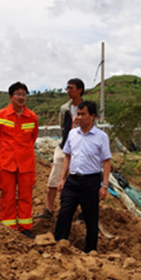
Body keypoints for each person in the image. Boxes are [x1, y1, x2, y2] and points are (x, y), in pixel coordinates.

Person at [54, 101, 112, 253]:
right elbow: (67, 156)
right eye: (77, 114)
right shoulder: (73, 134)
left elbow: (107, 161)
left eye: (82, 114)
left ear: (92, 116)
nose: (78, 117)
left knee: (91, 218)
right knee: (64, 213)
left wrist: (104, 185)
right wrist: (62, 178)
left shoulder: (101, 137)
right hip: (72, 181)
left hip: (90, 182)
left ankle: (90, 250)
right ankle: (59, 244)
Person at [0, 82, 39, 238]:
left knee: (26, 196)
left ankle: (25, 228)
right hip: (7, 163)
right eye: (18, 94)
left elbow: (33, 137)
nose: (21, 97)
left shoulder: (32, 117)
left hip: (26, 164)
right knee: (7, 196)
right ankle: (8, 228)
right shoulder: (1, 115)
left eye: (23, 94)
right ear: (10, 97)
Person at [35, 78, 85, 219]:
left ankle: (82, 211)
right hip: (65, 146)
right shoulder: (65, 108)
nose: (68, 91)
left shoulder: (87, 107)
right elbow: (63, 126)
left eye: (71, 88)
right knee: (54, 178)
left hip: (82, 149)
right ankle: (49, 209)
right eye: (67, 88)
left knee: (82, 179)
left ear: (80, 90)